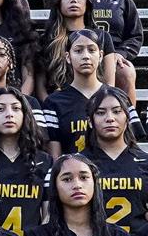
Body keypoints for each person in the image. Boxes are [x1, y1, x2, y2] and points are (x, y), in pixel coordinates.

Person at [40, 29, 141, 158]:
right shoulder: (54, 102)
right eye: (78, 50)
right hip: (74, 169)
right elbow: (55, 156)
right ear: (68, 57)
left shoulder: (119, 98)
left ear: (101, 55)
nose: (86, 56)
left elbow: (132, 145)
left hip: (112, 168)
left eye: (91, 50)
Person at [0, 87, 53, 236]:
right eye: (0, 109)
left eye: (16, 108)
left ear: (25, 114)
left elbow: (48, 214)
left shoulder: (44, 161)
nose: (9, 114)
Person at [68, 0, 142, 104]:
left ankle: (128, 117)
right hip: (79, 54)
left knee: (126, 71)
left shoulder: (122, 0)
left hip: (113, 57)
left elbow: (135, 36)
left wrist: (120, 54)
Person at [83, 86, 148, 233]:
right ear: (90, 121)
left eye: (117, 111)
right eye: (100, 112)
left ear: (128, 118)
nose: (110, 118)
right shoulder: (79, 164)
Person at [36, 0, 119, 99]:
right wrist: (50, 106)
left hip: (96, 103)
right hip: (58, 104)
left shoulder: (102, 36)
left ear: (87, 1)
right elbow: (40, 87)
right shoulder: (47, 39)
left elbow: (109, 84)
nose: (73, 0)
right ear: (58, 2)